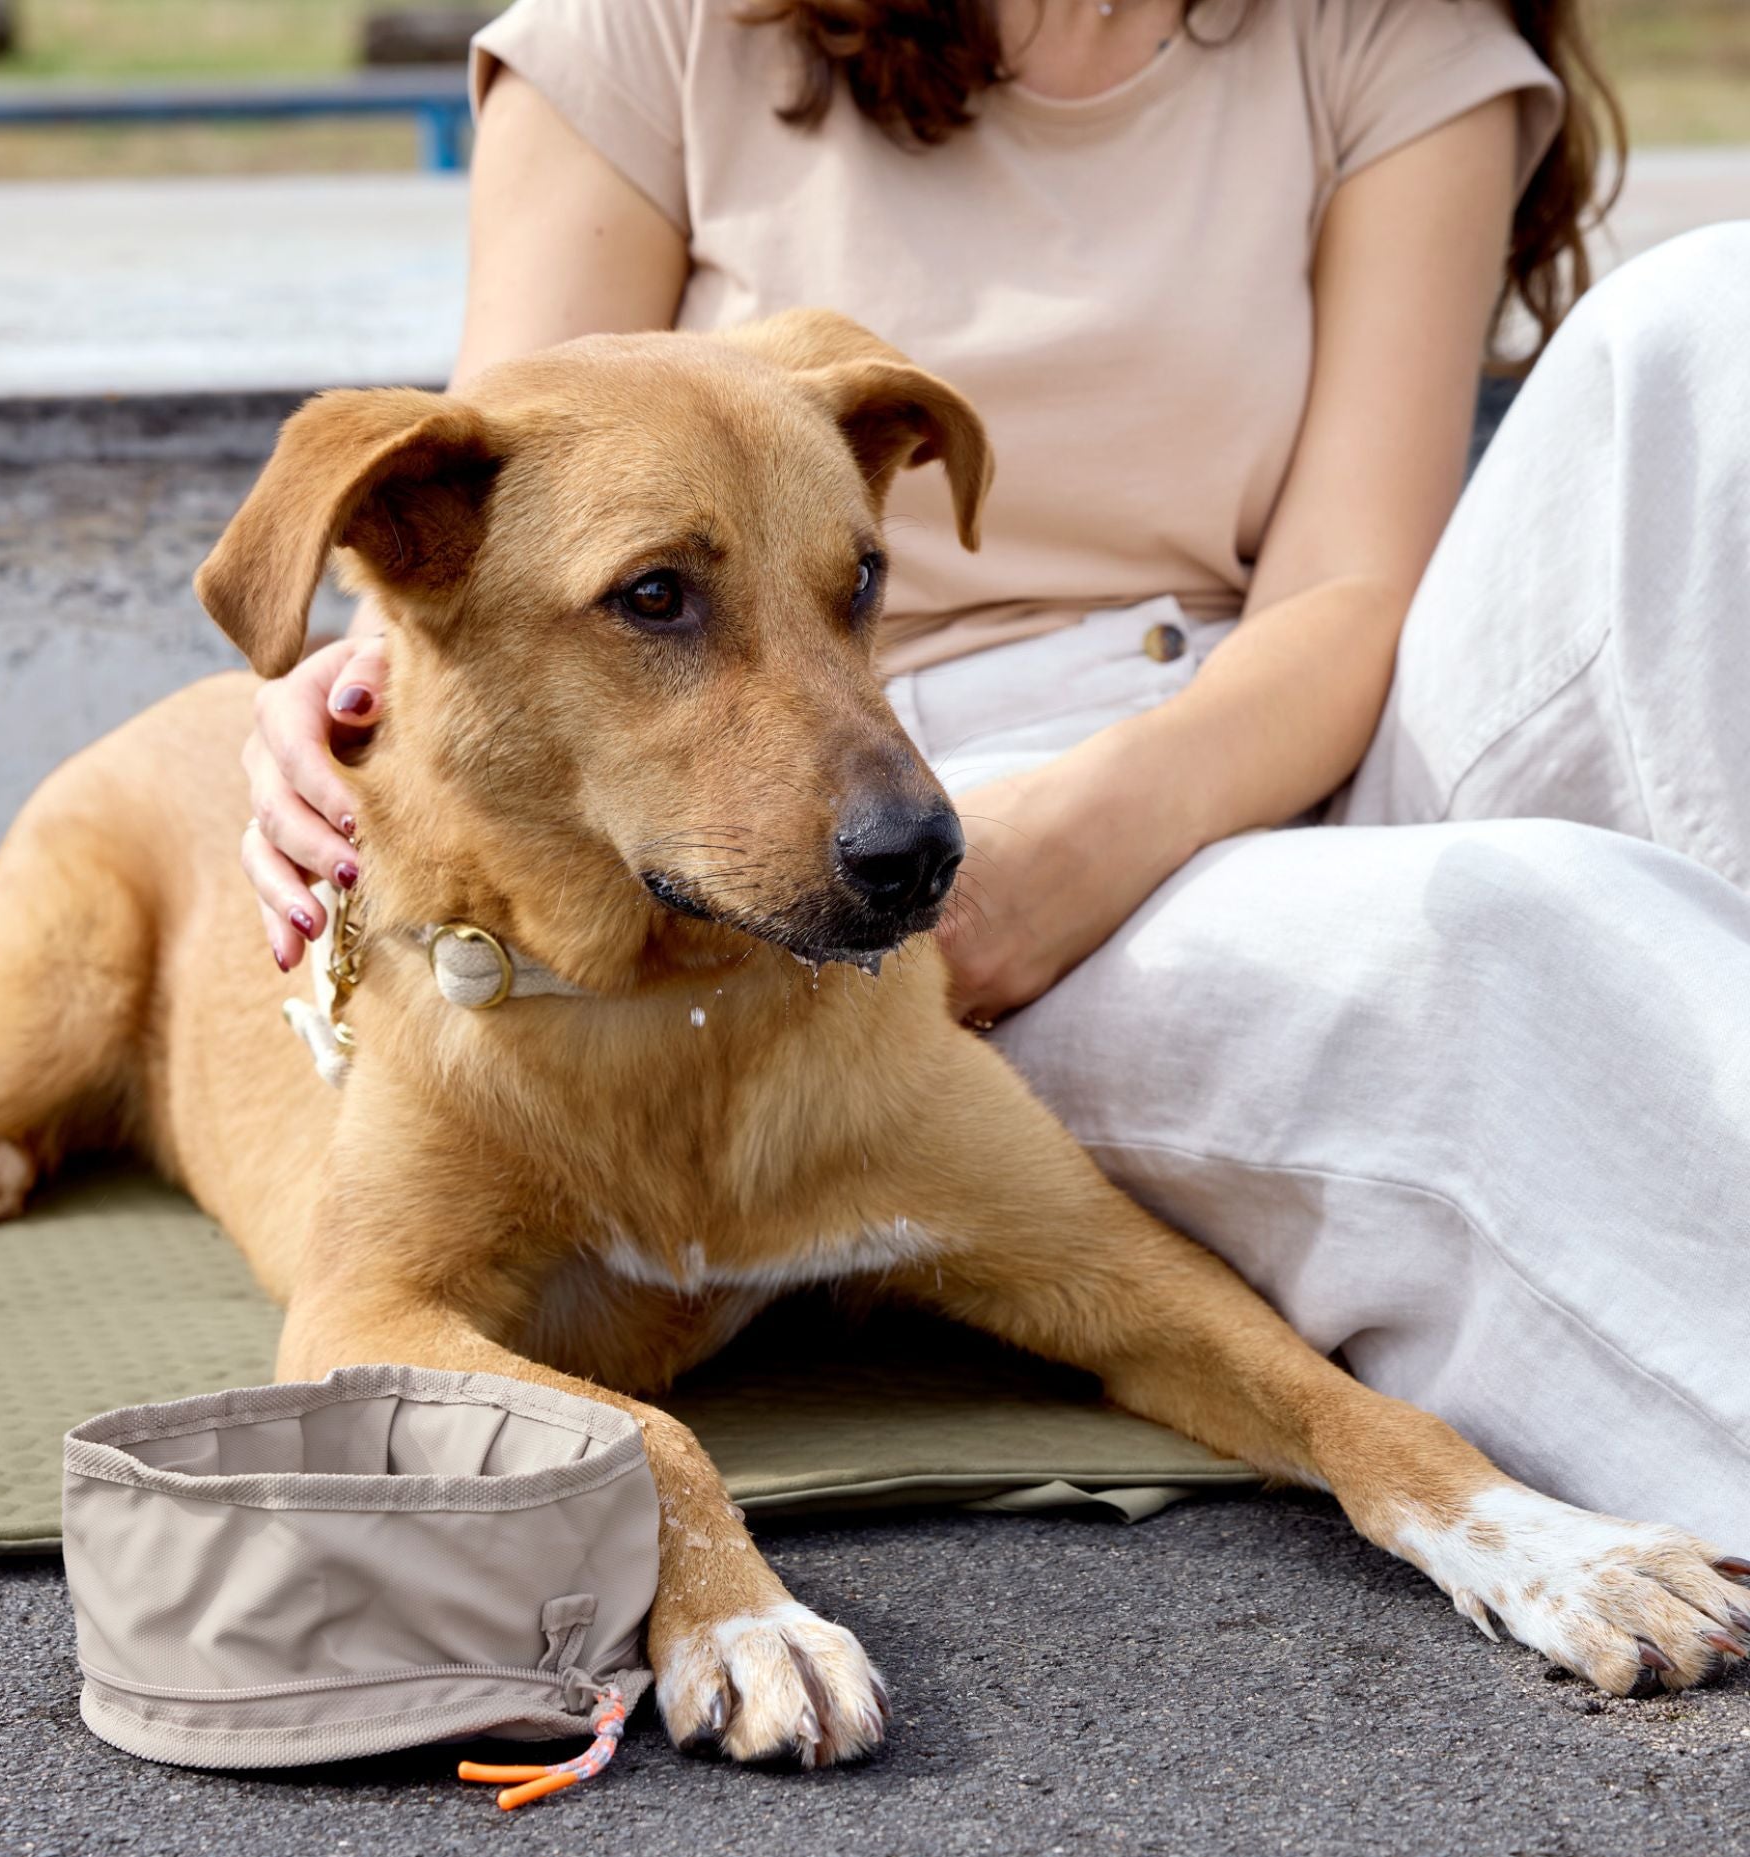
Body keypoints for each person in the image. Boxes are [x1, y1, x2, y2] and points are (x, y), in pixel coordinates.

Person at [237, 0, 1750, 1546]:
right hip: (888, 803)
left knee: (1719, 313)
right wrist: (336, 697)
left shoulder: (1378, 27)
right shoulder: (658, 31)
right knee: (1531, 917)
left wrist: (1086, 835)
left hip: (1290, 738)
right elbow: (511, 515)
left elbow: (1351, 591)